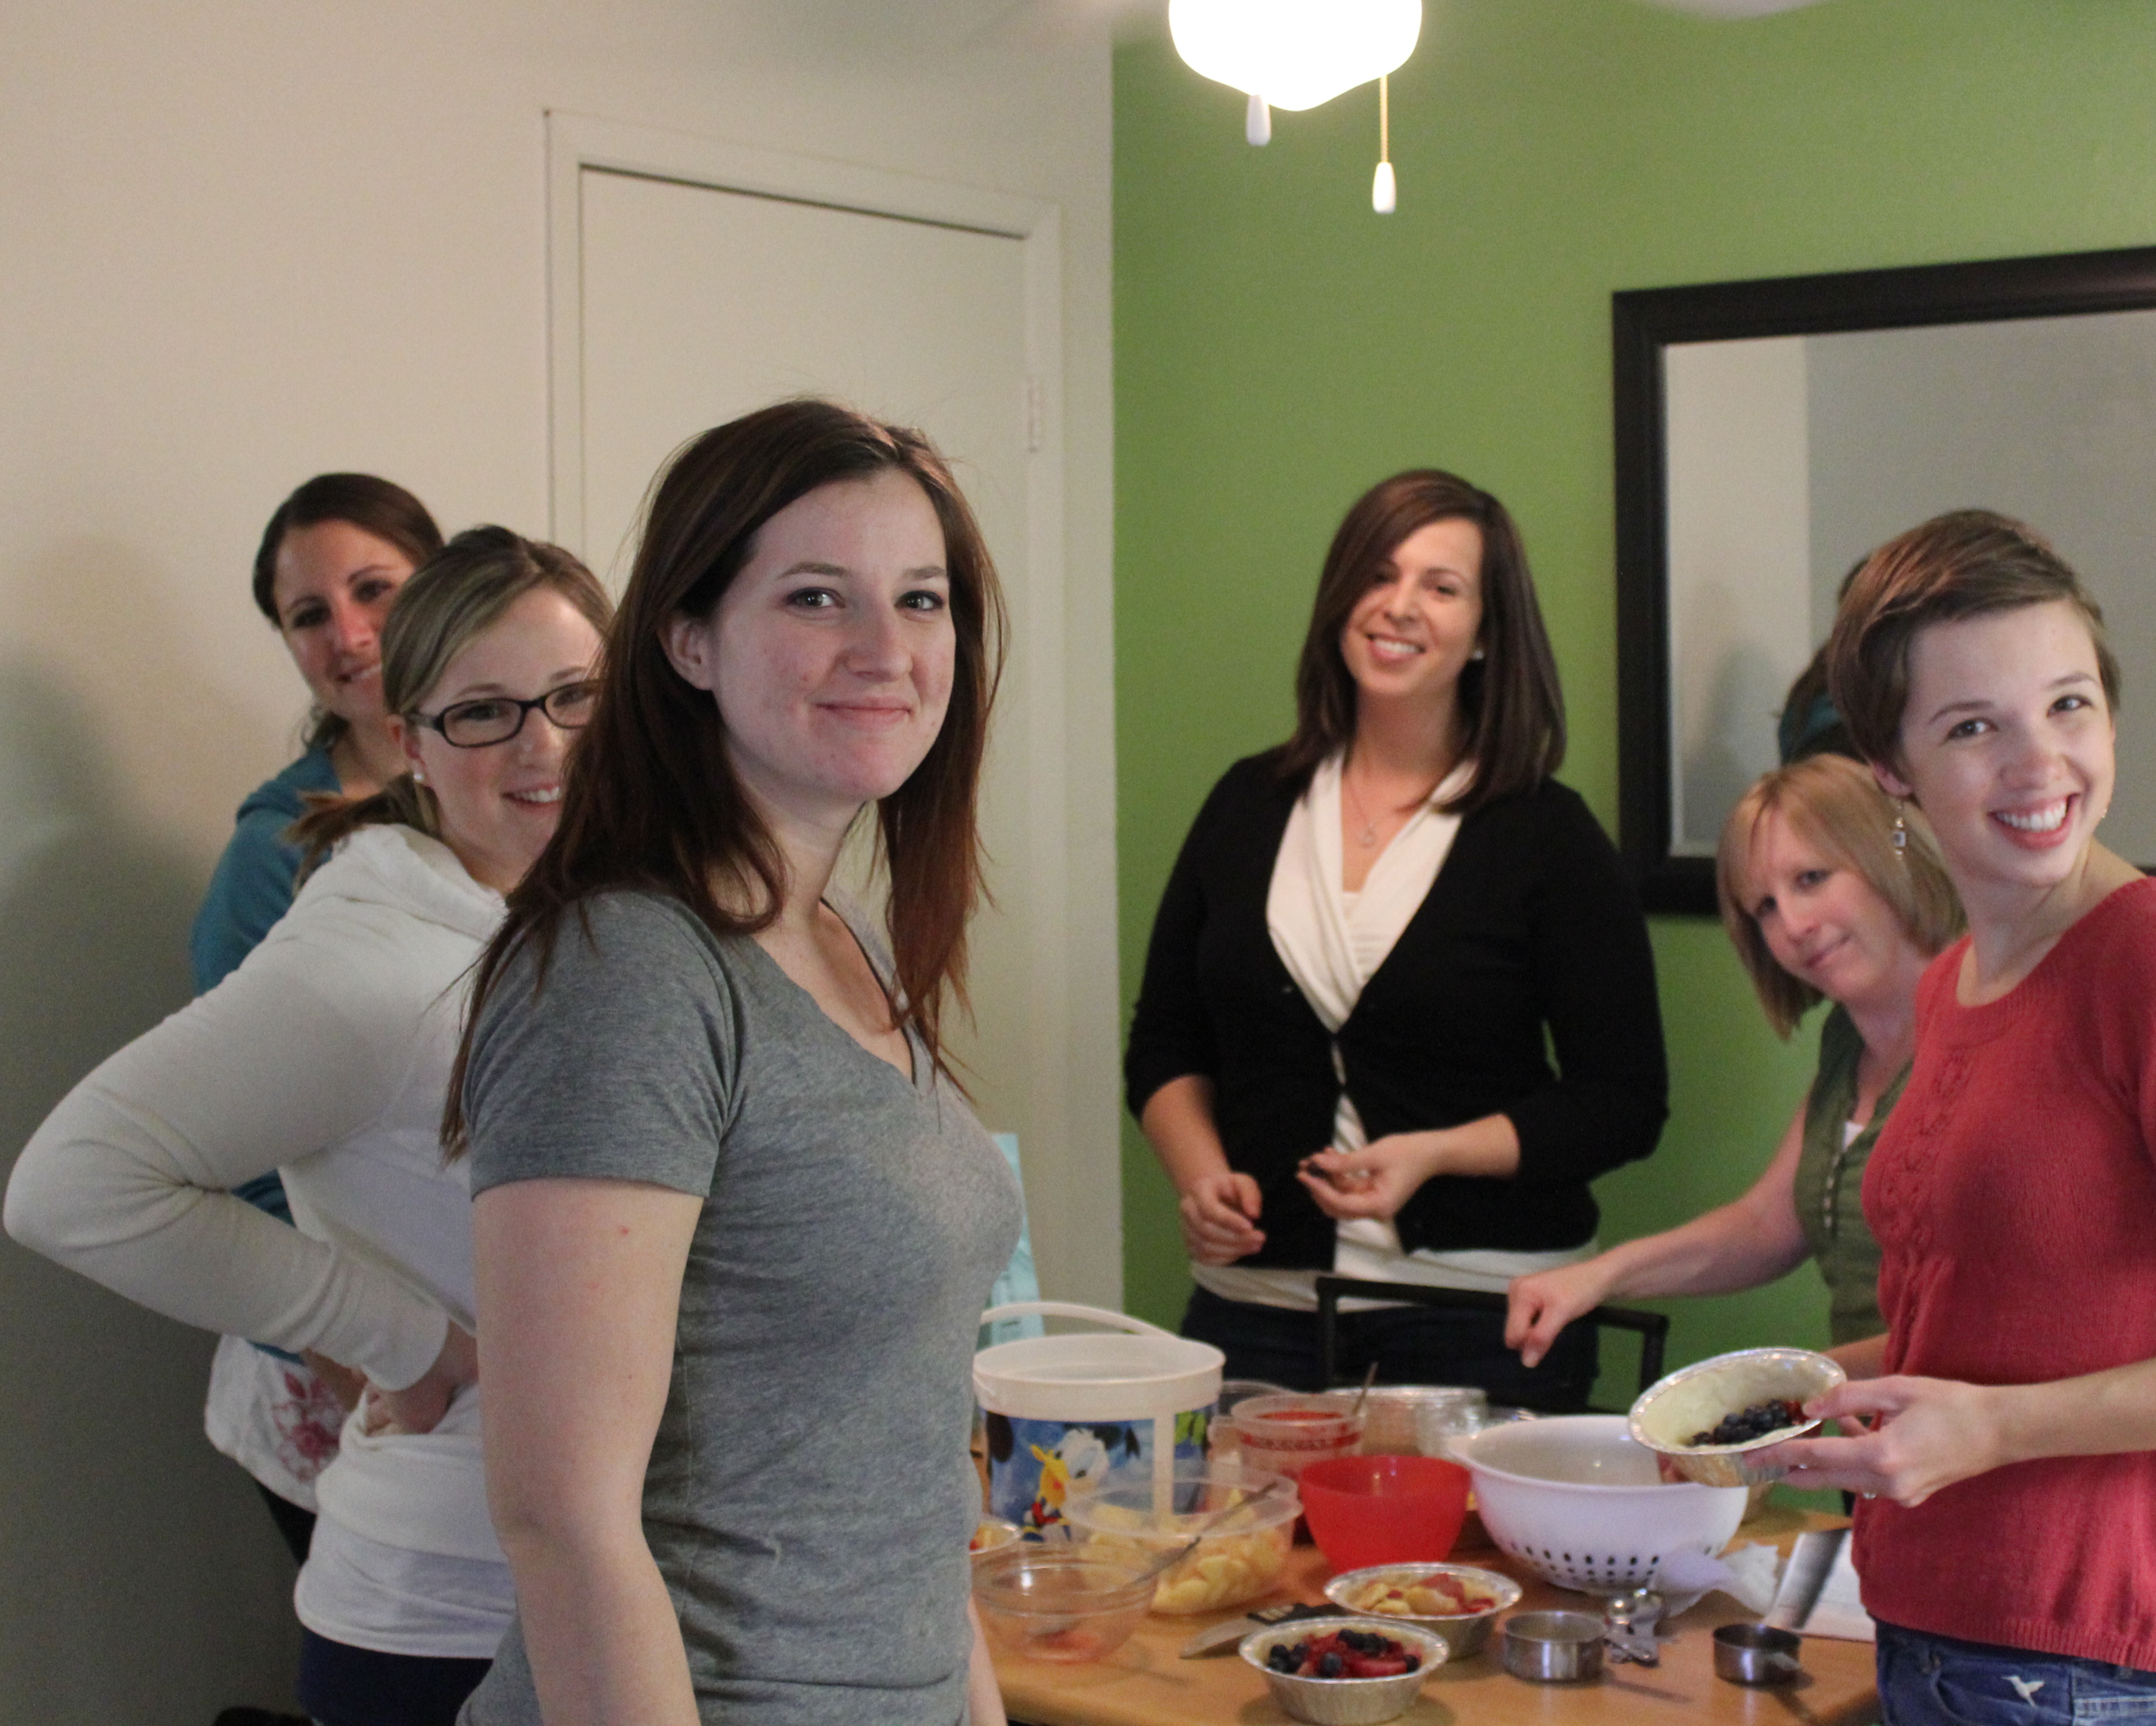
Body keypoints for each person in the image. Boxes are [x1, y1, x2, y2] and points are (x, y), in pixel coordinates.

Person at [1768, 509, 2156, 1725]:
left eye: (2066, 705)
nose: (2039, 763)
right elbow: (1994, 1325)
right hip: (1937, 1620)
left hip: (2086, 1659)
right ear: (1889, 769)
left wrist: (1995, 1432)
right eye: (1972, 727)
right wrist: (1786, 1397)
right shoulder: (1957, 982)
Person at [450, 401, 1021, 1726]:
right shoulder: (629, 972)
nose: (885, 648)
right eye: (817, 597)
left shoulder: (847, 937)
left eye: (921, 599)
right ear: (688, 638)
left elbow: (907, 1461)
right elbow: (562, 1519)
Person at [8, 527, 612, 1726]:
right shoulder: (371, 958)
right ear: (410, 742)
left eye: (575, 696)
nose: (543, 743)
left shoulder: (590, 909)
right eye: (482, 712)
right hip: (453, 1614)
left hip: (612, 1577)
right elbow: (71, 1184)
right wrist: (402, 1339)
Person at [1126, 469, 1667, 1412]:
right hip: (1256, 1310)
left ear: (1487, 632)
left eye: (1441, 586)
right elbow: (1165, 1041)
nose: (1399, 606)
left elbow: (1621, 1101)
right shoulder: (1246, 804)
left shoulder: (1546, 835)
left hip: (1481, 1315)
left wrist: (1435, 1154)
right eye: (1378, 575)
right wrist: (1201, 1178)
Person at [1504, 755, 1962, 1379]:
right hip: (1881, 1433)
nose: (1793, 925)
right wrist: (1598, 1276)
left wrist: (1785, 1386)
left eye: (1812, 879)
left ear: (1888, 854)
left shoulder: (1991, 1029)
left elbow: (1996, 1323)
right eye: (1765, 906)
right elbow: (1765, 1225)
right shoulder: (1848, 1042)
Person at [196, 473, 446, 1569]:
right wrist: (372, 1364)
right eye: (310, 614)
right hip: (352, 1372)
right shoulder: (276, 854)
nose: (348, 634)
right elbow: (233, 1151)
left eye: (374, 588)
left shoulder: (536, 794)